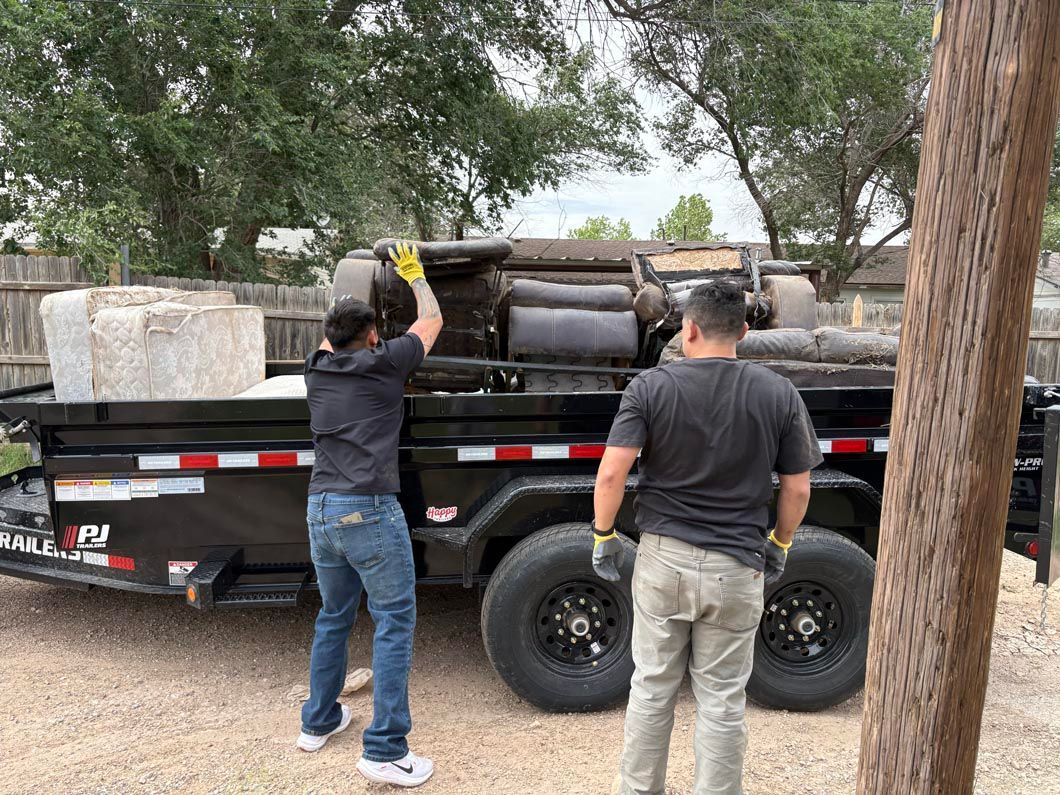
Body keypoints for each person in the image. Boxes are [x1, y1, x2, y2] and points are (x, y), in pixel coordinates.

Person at [590, 281, 823, 795]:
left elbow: (611, 476)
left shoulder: (649, 388)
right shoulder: (777, 392)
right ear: (743, 331)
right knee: (721, 699)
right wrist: (780, 544)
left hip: (663, 563)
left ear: (687, 328)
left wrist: (604, 535)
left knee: (652, 689)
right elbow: (799, 488)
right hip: (738, 566)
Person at [296, 242, 442, 789]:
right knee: (394, 621)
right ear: (374, 337)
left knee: (334, 615)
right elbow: (431, 321)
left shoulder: (316, 368)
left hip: (321, 509)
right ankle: (384, 751)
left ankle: (318, 721)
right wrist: (415, 275)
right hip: (368, 511)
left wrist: (348, 298)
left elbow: (333, 335)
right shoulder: (387, 364)